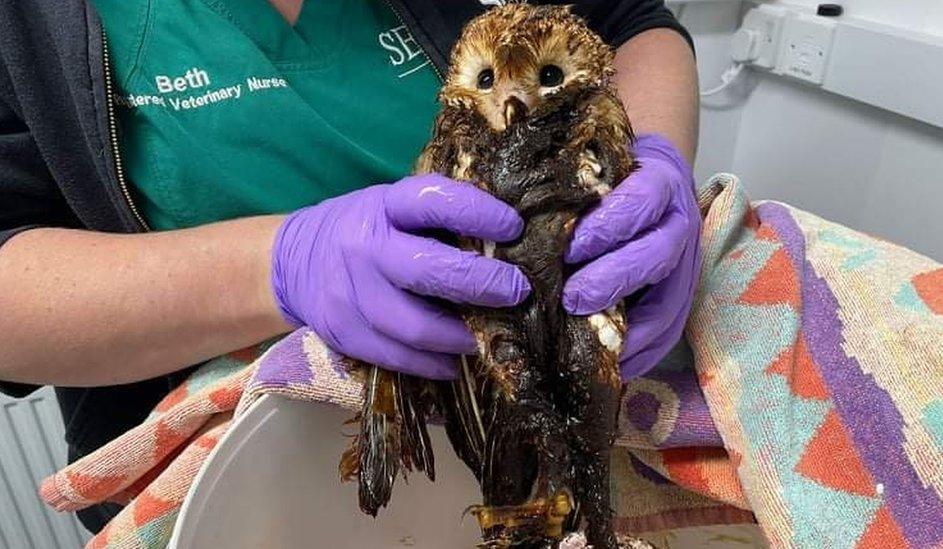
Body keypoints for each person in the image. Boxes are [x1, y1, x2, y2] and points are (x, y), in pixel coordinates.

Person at [0, 0, 701, 532]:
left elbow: (630, 19)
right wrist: (280, 264)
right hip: (254, 489)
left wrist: (644, 162)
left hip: (560, 402)